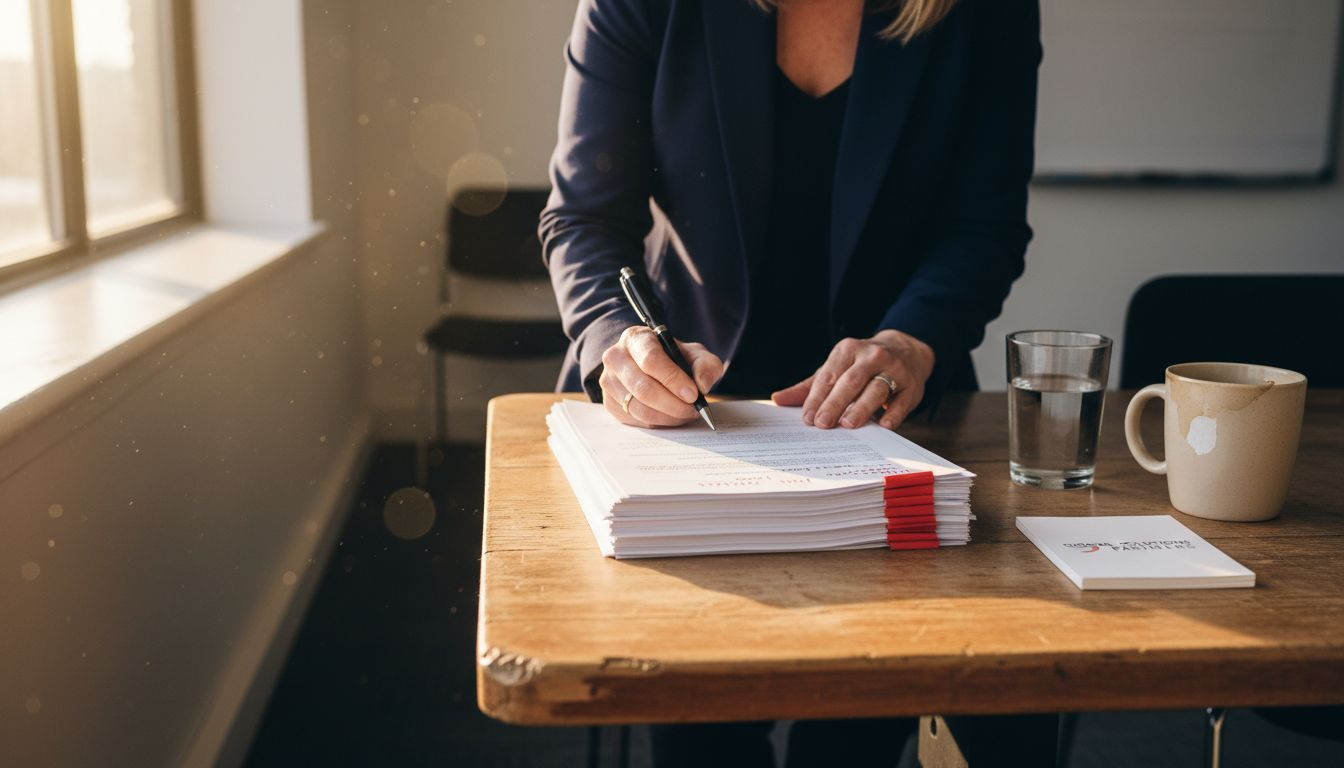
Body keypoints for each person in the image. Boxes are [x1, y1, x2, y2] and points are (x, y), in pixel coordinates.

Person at [541, 0, 1040, 764]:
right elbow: (583, 216)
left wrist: (913, 340)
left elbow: (985, 223)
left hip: (892, 420)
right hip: (688, 422)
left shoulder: (982, 10)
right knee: (702, 735)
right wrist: (615, 335)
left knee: (855, 733)